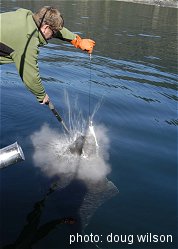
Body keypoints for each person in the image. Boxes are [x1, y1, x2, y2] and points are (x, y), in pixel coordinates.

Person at [0, 6, 95, 104]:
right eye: (53, 34)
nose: (53, 36)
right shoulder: (28, 41)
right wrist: (41, 95)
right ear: (46, 28)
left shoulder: (26, 17)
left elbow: (54, 28)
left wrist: (76, 40)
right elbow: (30, 76)